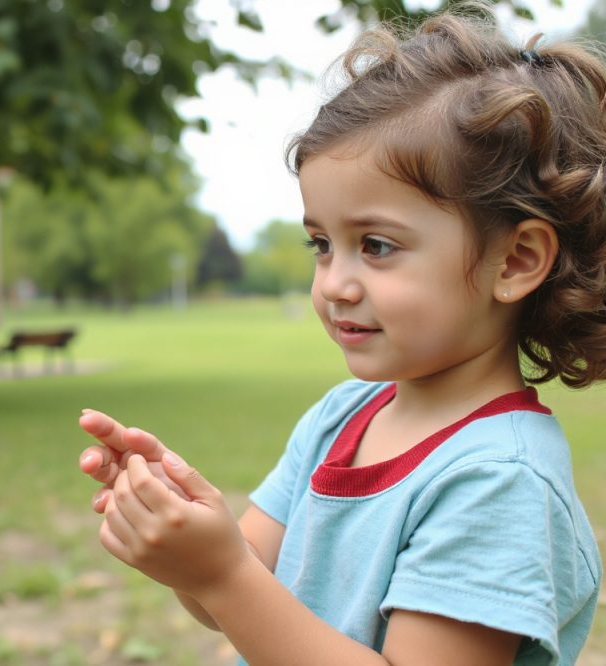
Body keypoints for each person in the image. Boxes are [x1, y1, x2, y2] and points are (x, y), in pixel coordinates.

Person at [77, 7, 605, 665]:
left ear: (517, 261)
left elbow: (235, 586)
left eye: (376, 245)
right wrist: (187, 530)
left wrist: (221, 574)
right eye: (321, 244)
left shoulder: (501, 482)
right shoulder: (340, 417)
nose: (334, 284)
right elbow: (240, 597)